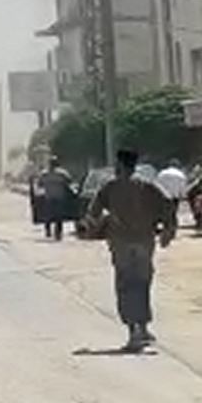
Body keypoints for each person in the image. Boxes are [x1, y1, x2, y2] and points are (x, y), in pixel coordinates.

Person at [86, 149, 177, 351]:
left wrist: (94, 227)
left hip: (121, 244)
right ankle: (142, 327)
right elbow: (168, 205)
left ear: (120, 165)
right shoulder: (148, 186)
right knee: (142, 283)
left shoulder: (110, 187)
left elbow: (93, 212)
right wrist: (168, 231)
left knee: (126, 285)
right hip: (144, 242)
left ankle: (133, 331)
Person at [37, 157, 75, 241]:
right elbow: (70, 182)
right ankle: (58, 232)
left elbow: (39, 184)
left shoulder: (45, 174)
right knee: (58, 216)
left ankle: (49, 231)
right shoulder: (62, 174)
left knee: (48, 215)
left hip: (49, 197)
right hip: (59, 197)